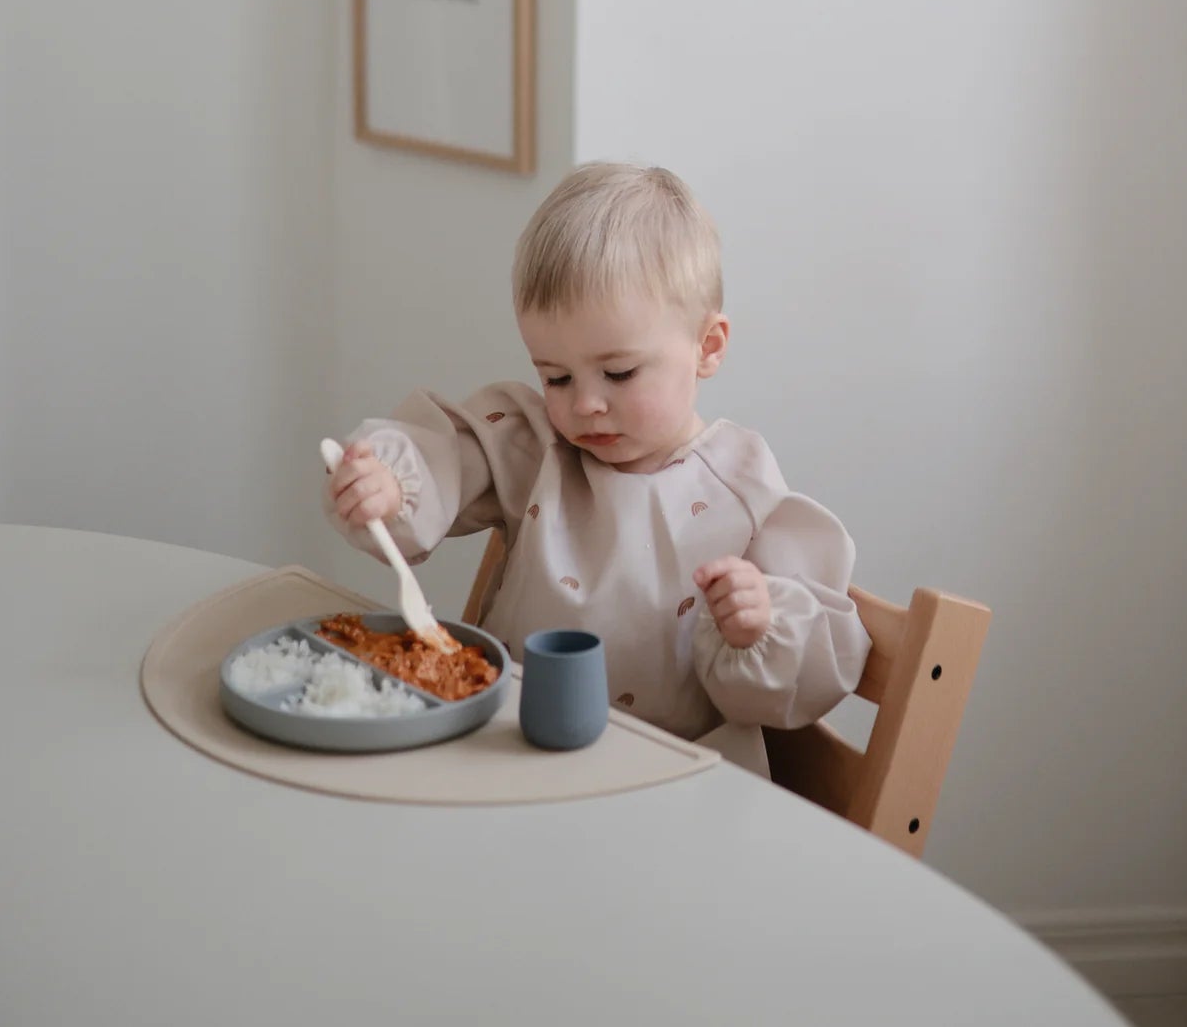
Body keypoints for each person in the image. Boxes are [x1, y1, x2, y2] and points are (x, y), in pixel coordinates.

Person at [323, 162, 871, 752]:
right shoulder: (540, 446)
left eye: (619, 373)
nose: (585, 404)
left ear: (706, 347)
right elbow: (451, 454)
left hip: (662, 784)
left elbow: (802, 673)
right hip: (508, 749)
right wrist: (391, 485)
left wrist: (758, 626)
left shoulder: (742, 487)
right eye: (556, 377)